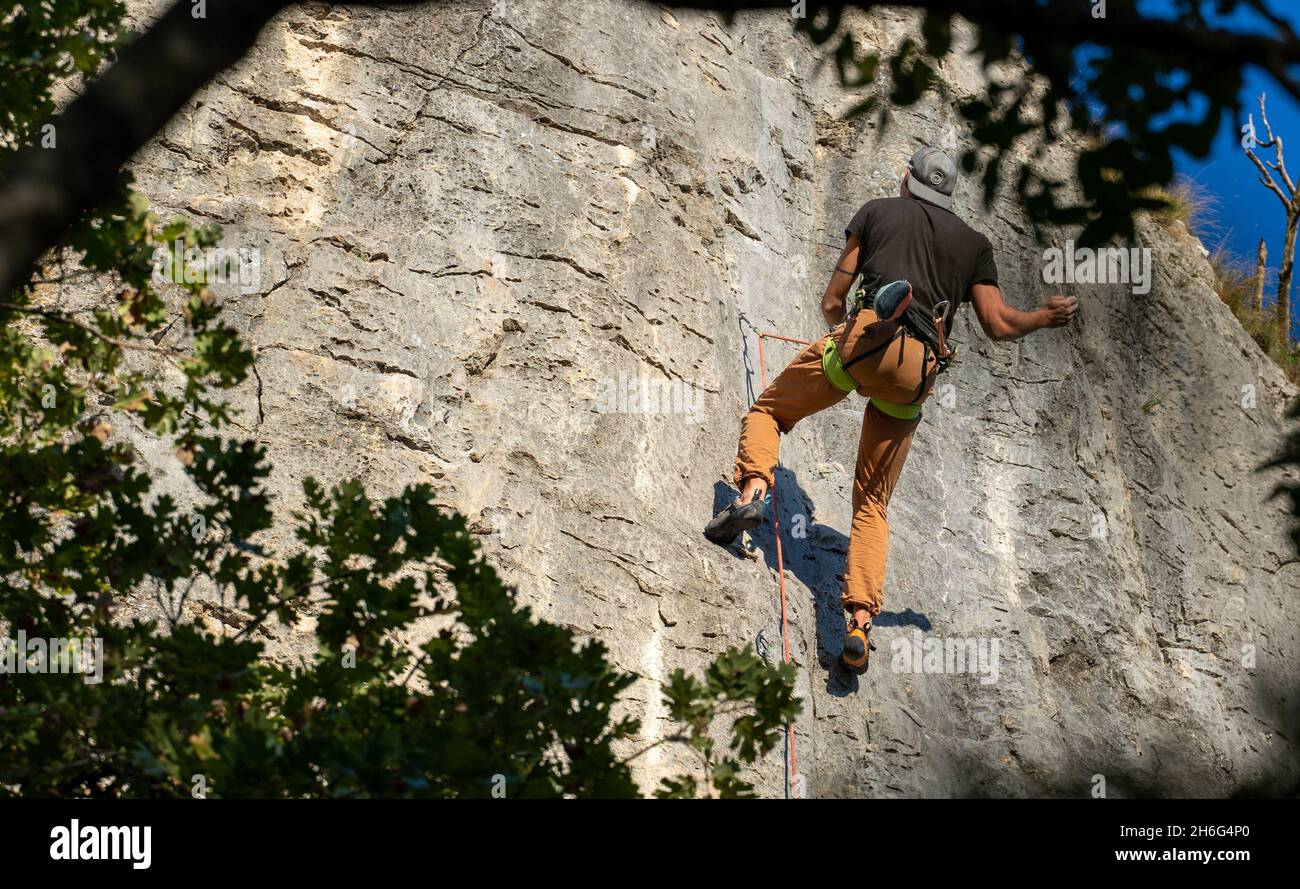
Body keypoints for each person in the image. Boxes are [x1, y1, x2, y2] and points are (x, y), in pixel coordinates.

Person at [704, 146, 1078, 674]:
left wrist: (836, 328)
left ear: (908, 181)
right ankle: (858, 623)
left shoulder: (878, 211)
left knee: (769, 412)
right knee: (873, 501)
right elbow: (998, 326)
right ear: (948, 195)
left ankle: (753, 494)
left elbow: (835, 297)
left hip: (865, 344)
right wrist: (1042, 315)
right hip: (917, 371)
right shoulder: (974, 245)